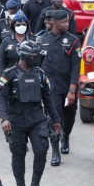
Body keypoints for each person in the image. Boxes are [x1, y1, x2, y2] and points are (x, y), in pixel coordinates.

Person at [0, 39, 61, 186]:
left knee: (41, 151)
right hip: (15, 119)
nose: (37, 58)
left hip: (36, 118)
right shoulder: (9, 74)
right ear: (25, 56)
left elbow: (47, 98)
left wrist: (56, 120)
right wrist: (4, 119)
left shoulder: (40, 74)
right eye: (34, 56)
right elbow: (1, 98)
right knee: (18, 154)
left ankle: (35, 185)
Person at [36, 10, 80, 164]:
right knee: (53, 119)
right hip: (50, 89)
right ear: (54, 23)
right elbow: (37, 64)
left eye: (68, 21)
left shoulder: (73, 41)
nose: (67, 24)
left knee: (69, 118)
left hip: (68, 88)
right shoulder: (42, 40)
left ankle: (65, 136)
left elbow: (76, 67)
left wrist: (72, 90)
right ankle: (55, 151)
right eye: (63, 22)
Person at [0, 7, 26, 75]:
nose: (21, 27)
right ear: (14, 26)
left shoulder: (32, 40)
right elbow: (2, 61)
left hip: (27, 75)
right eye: (18, 25)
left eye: (23, 24)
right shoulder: (6, 40)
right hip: (10, 74)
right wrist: (2, 77)